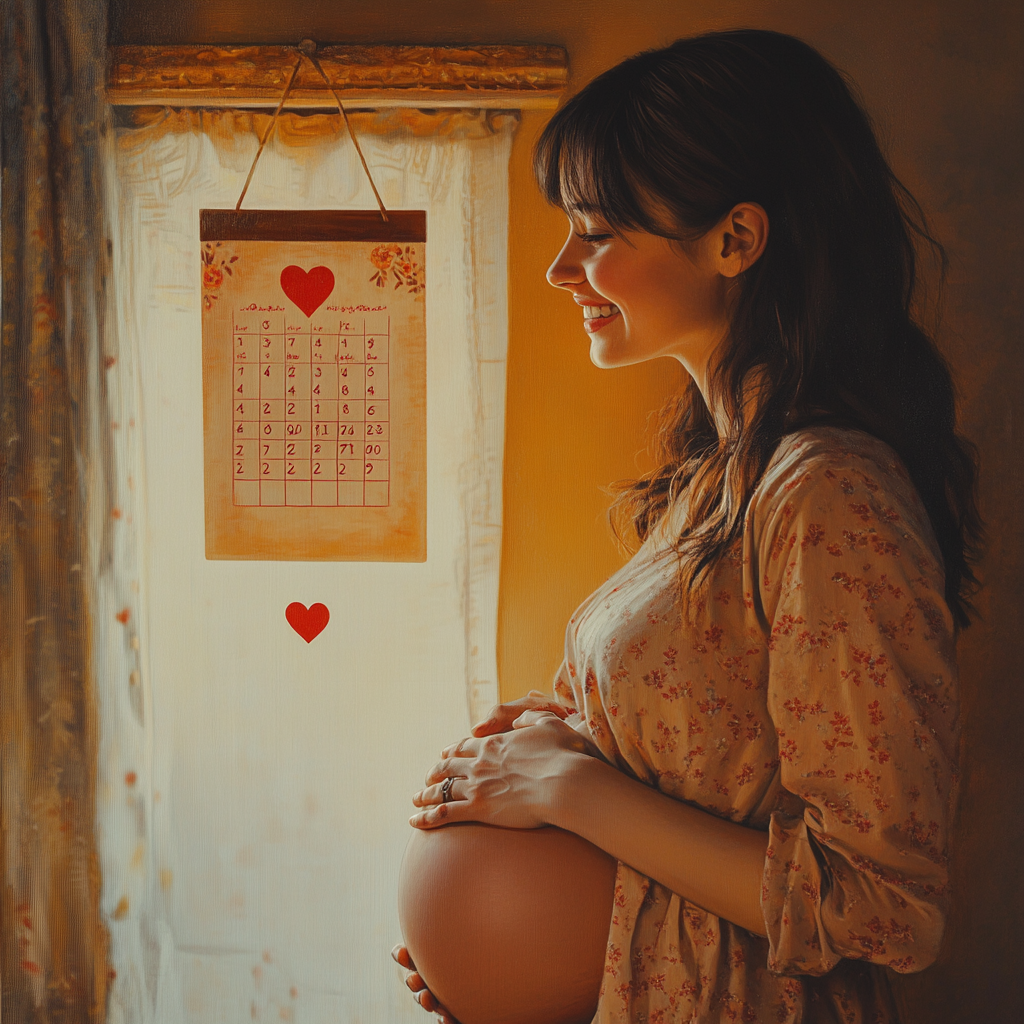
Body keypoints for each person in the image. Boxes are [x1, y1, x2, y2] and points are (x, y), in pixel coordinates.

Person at [392, 28, 981, 1024]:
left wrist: (567, 791)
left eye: (597, 231)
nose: (560, 269)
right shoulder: (717, 482)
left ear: (735, 239)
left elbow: (882, 908)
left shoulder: (827, 493)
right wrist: (510, 958)